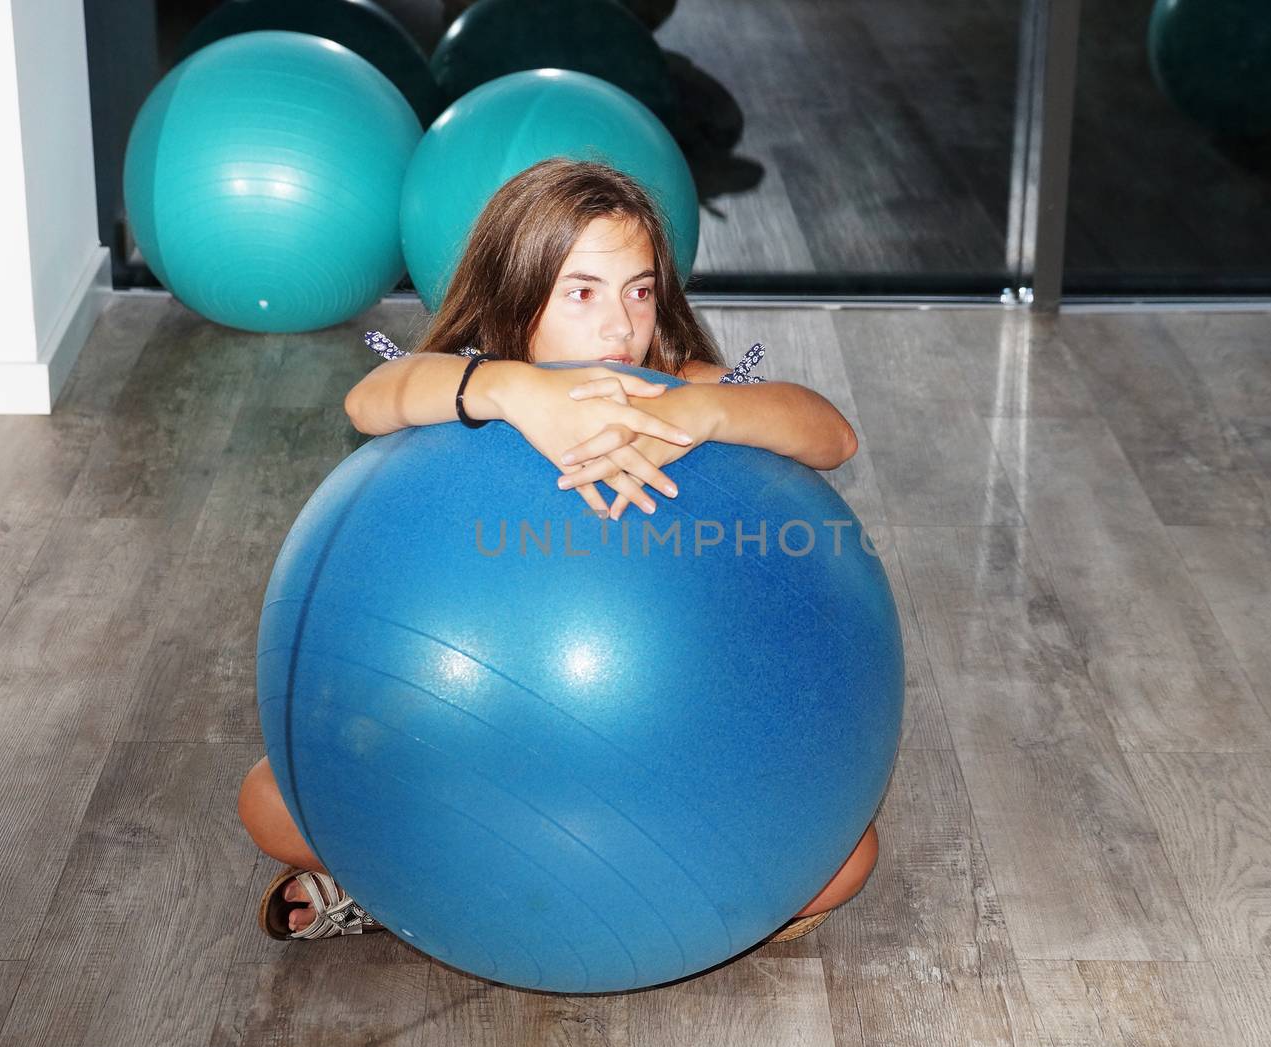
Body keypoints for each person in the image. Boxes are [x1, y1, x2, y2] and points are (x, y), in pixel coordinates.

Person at [237, 157, 880, 945]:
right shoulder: (475, 379)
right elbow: (369, 399)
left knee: (850, 858)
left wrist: (707, 412)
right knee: (268, 801)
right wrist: (511, 390)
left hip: (658, 744)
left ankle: (624, 905)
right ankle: (433, 887)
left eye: (639, 291)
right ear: (518, 296)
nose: (620, 326)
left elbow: (832, 434)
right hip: (472, 729)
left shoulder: (674, 384)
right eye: (582, 292)